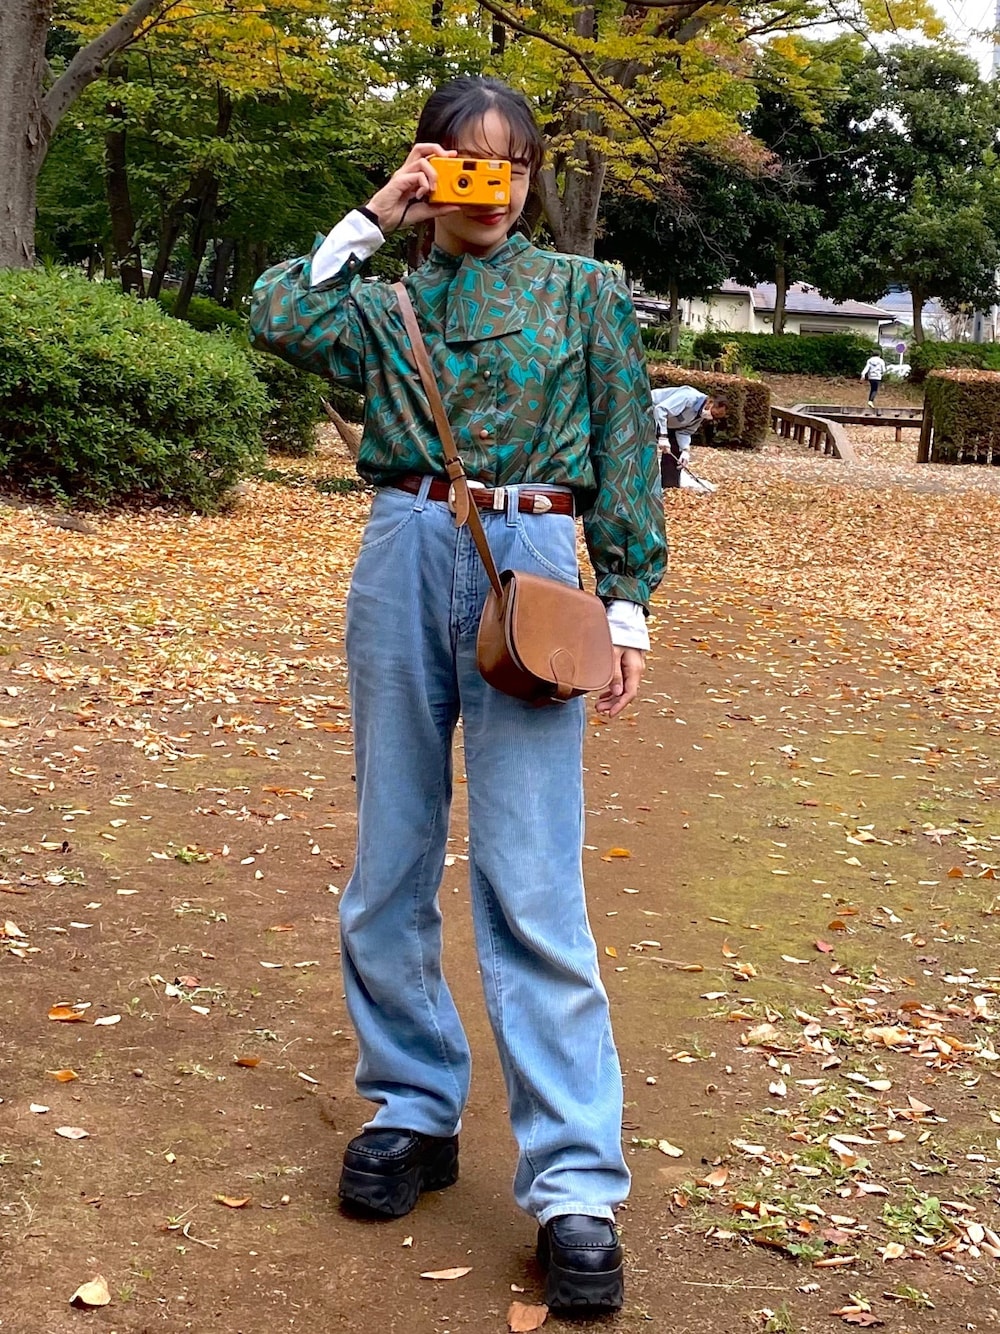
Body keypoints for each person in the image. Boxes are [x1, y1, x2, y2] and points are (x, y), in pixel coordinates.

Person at [250, 76, 667, 1315]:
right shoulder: (385, 301)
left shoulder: (583, 292)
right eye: (466, 163)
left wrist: (626, 602)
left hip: (531, 560)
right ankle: (412, 1105)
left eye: (513, 166)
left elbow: (625, 440)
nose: (494, 187)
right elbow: (277, 312)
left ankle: (575, 1181)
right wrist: (381, 211)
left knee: (531, 870)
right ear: (429, 164)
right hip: (402, 545)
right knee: (390, 848)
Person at [650, 385, 728, 488]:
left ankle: (669, 486)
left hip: (668, 422)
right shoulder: (688, 397)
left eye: (715, 417)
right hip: (647, 411)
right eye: (714, 413)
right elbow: (660, 410)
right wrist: (663, 436)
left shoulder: (700, 415)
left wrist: (685, 450)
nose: (711, 418)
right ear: (710, 402)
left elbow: (684, 432)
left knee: (676, 449)